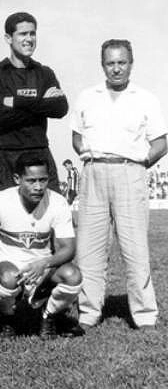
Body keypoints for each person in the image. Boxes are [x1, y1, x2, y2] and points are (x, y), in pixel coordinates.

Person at [71, 39, 167, 330]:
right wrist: (90, 156)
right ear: (103, 65)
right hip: (94, 173)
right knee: (89, 249)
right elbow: (76, 137)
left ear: (131, 64)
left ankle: (145, 315)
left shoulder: (145, 98)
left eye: (121, 62)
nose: (116, 69)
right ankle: (88, 312)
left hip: (129, 173)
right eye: (110, 63)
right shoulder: (88, 96)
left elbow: (161, 141)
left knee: (135, 248)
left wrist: (138, 164)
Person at [0, 152, 83, 339]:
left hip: (42, 267)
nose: (38, 187)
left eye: (43, 180)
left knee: (73, 275)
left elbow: (68, 248)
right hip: (8, 265)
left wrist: (44, 263)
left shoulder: (57, 202)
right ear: (17, 179)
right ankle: (7, 320)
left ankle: (49, 317)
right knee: (8, 276)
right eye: (31, 181)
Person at [0, 12, 67, 200]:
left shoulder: (44, 73)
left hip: (40, 155)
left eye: (32, 33)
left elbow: (60, 109)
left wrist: (15, 102)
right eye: (23, 34)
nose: (29, 39)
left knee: (48, 220)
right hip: (5, 157)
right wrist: (42, 103)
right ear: (8, 38)